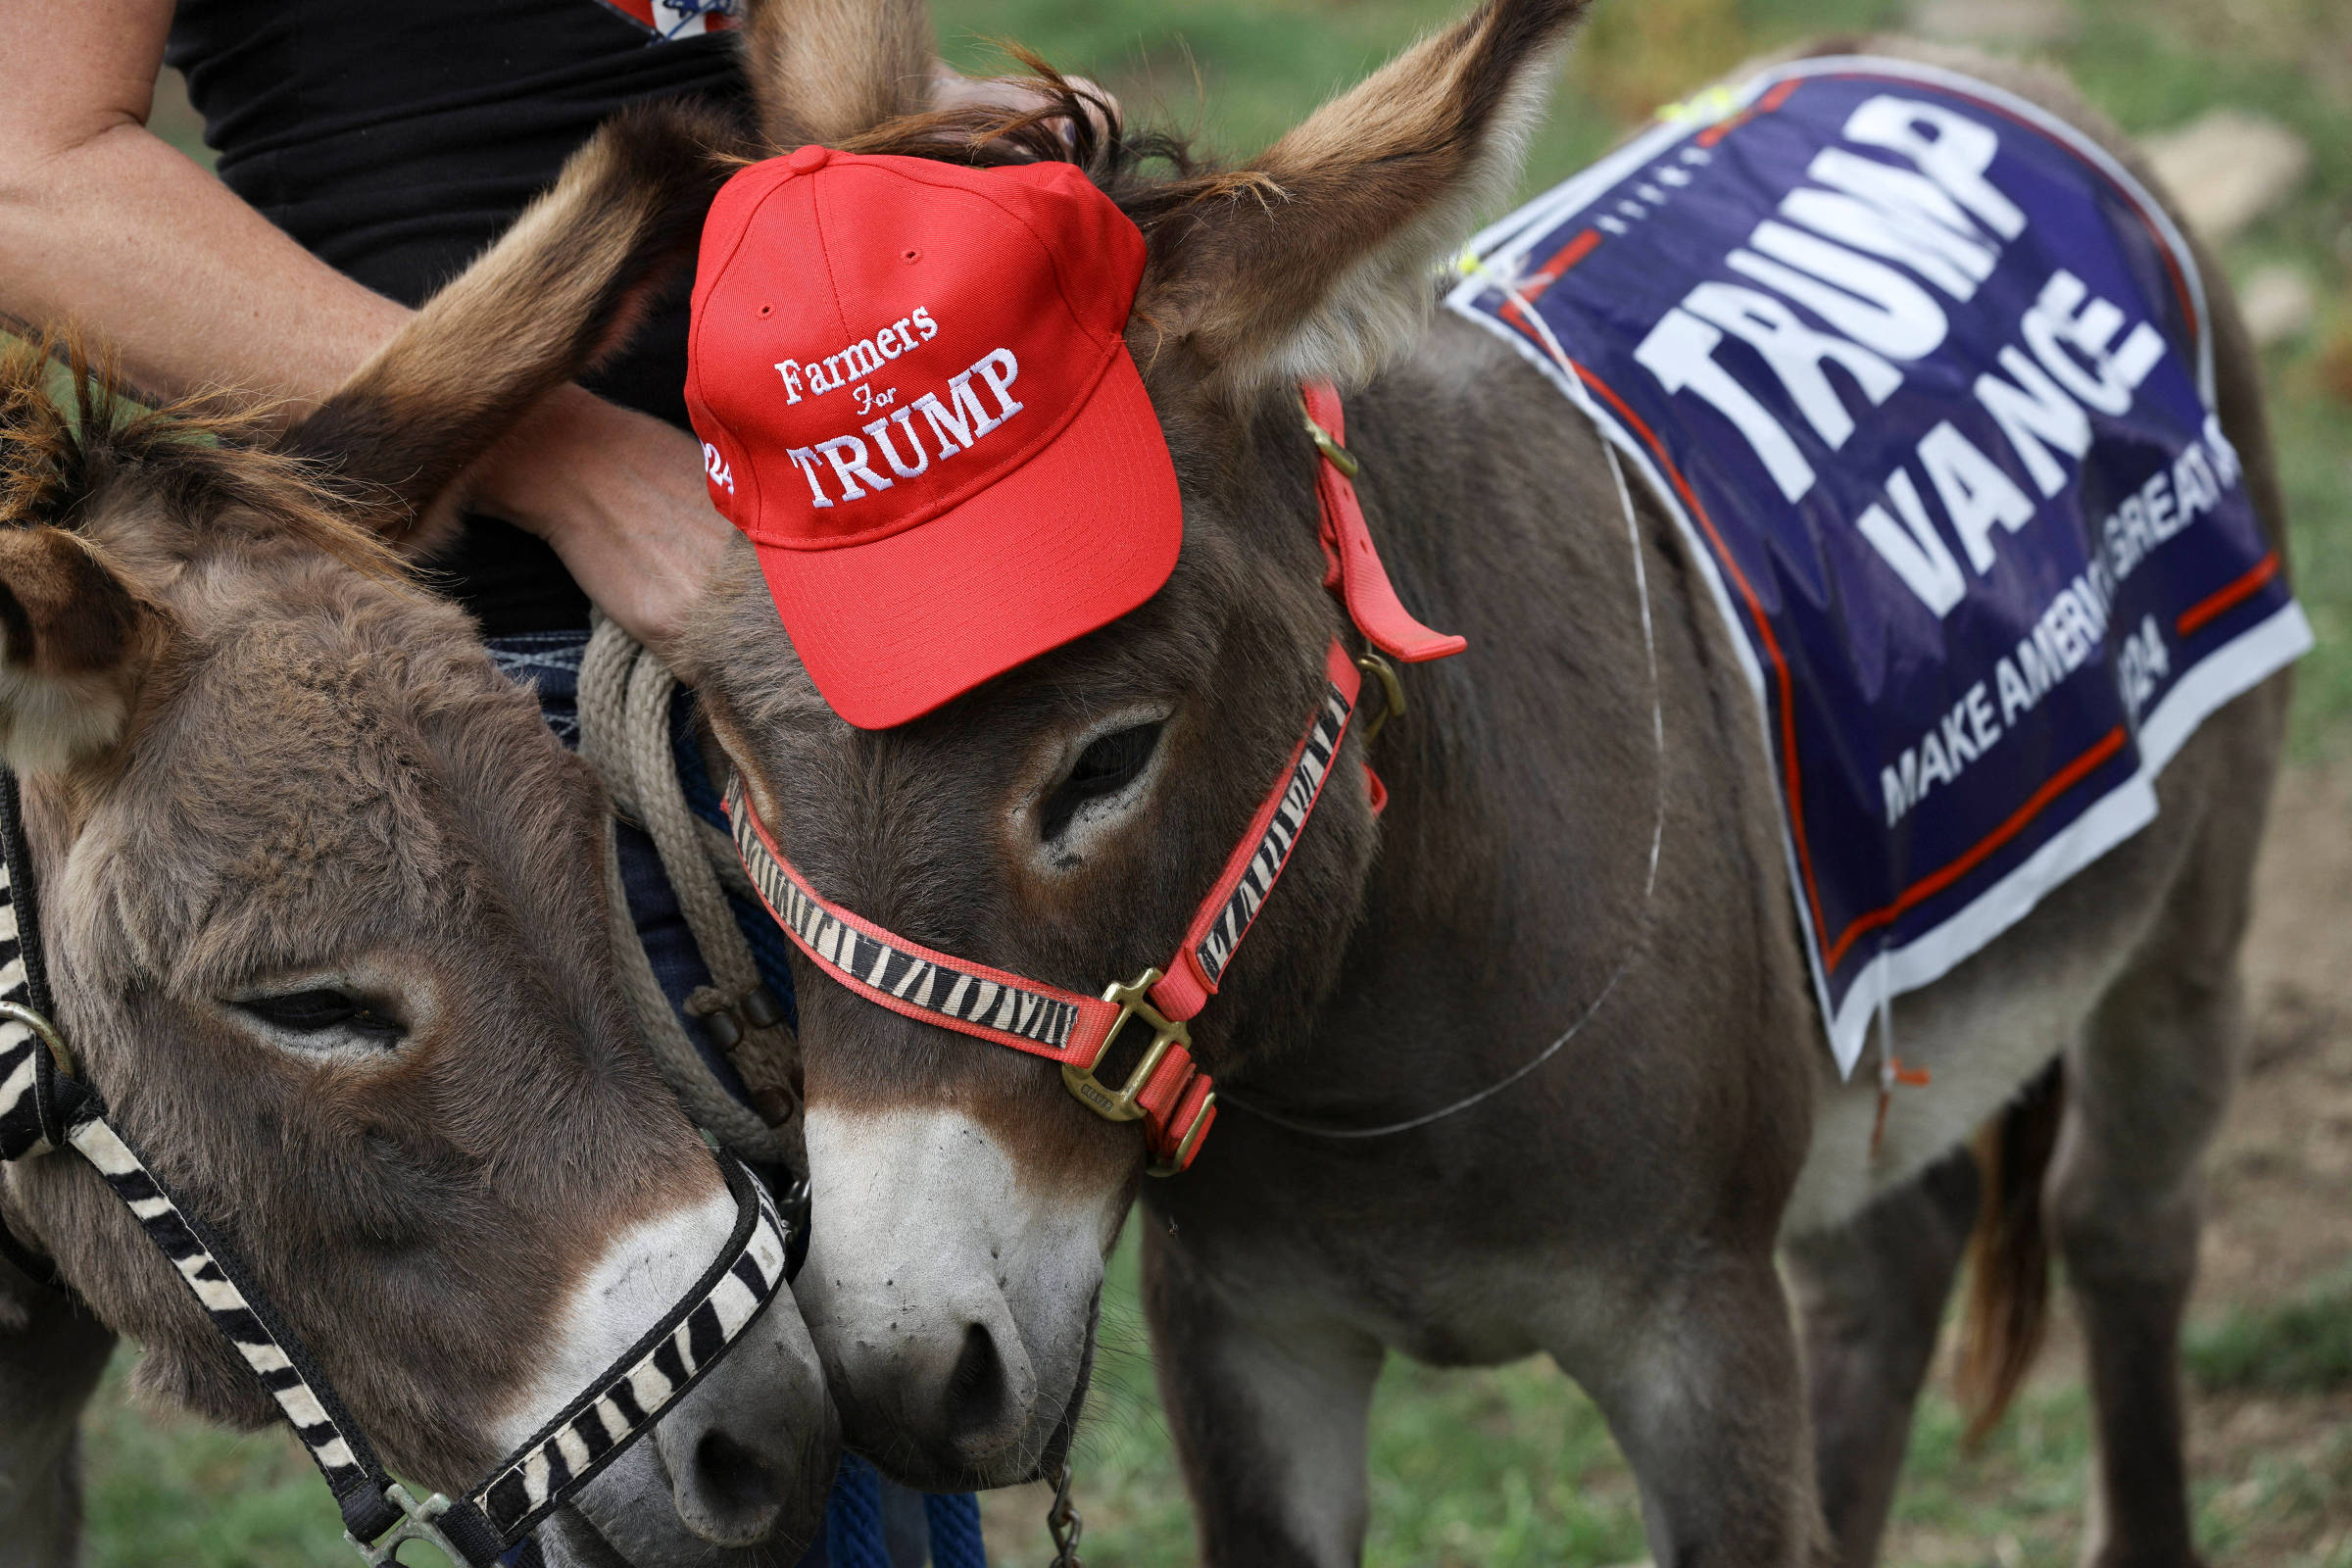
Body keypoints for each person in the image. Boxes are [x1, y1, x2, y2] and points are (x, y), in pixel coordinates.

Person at [0, 3, 1067, 1562]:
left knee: (881, 1426)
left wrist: (965, 130)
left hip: (820, 627)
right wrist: (569, 464)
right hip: (502, 675)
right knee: (729, 1455)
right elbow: (32, 171)